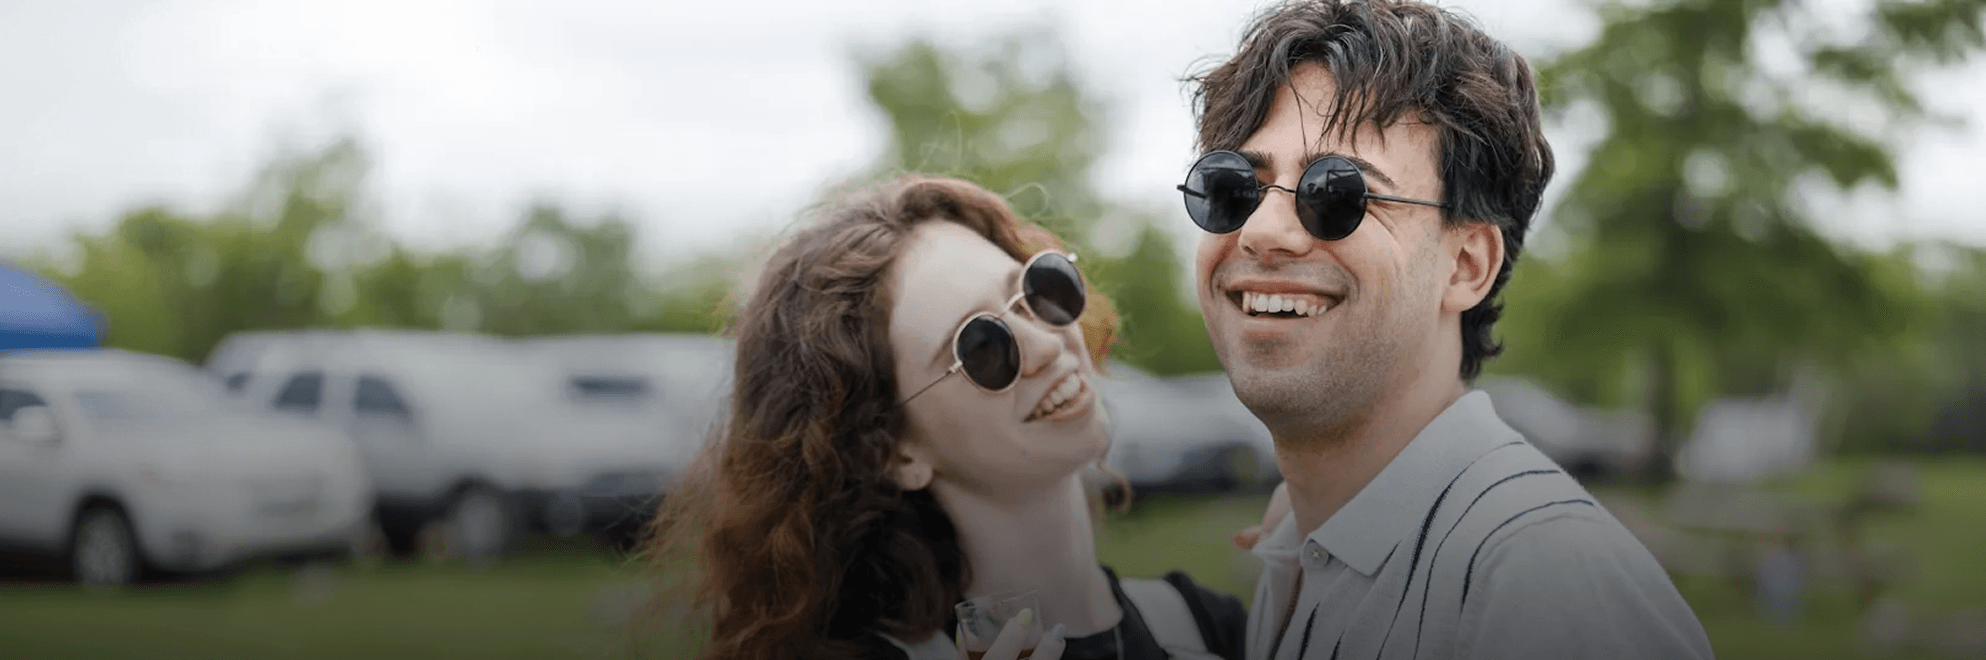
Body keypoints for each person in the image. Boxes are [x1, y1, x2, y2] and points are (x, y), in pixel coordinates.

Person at [1178, 1, 1716, 659]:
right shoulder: (1305, 546)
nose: (1261, 230)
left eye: (1336, 194)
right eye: (1233, 188)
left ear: (1467, 266)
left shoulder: (1546, 588)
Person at [647, 176, 1248, 660]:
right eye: (981, 347)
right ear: (893, 451)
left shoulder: (1208, 628)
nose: (1044, 345)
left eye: (1039, 288)